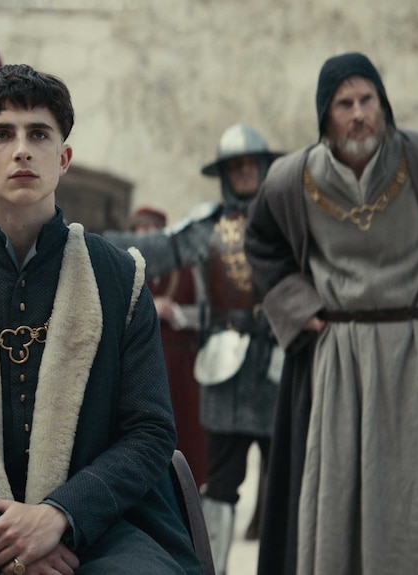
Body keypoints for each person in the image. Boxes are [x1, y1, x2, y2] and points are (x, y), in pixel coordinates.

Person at [0, 64, 203, 575]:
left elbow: (150, 430)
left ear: (63, 158)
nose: (22, 148)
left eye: (38, 134)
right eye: (1, 133)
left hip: (104, 525)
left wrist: (61, 516)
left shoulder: (120, 279)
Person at [245, 52, 418, 575]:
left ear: (384, 105)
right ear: (326, 115)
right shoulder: (290, 179)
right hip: (337, 360)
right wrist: (299, 308)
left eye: (368, 100)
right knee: (338, 487)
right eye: (345, 103)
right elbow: (262, 247)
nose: (359, 113)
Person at [105, 124, 282, 575]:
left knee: (287, 479)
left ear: (264, 168)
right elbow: (161, 250)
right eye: (235, 166)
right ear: (224, 173)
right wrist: (94, 243)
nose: (244, 172)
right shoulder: (210, 227)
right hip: (226, 362)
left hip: (282, 361)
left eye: (250, 164)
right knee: (221, 484)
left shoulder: (288, 219)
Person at [128, 206, 208, 488]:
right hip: (142, 365)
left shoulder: (187, 266)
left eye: (153, 228)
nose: (147, 234)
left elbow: (207, 313)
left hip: (182, 366)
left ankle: (189, 498)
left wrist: (177, 314)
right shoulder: (126, 266)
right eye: (141, 228)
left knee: (187, 432)